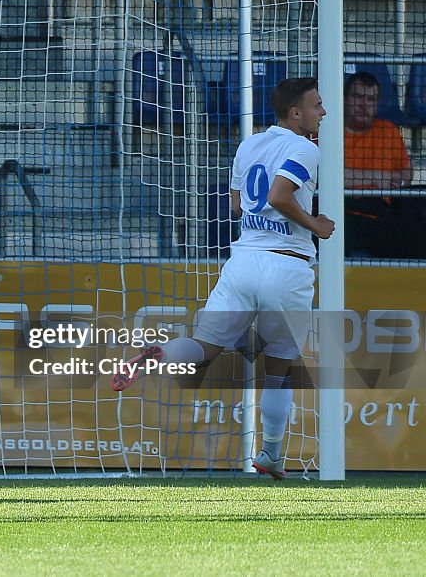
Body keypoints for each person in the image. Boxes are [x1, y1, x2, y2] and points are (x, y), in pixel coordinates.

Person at [110, 78, 335, 480]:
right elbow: (279, 197)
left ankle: (162, 353)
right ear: (295, 112)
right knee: (278, 371)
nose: (323, 112)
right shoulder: (305, 148)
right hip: (286, 266)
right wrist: (315, 225)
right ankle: (269, 454)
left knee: (202, 347)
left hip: (242, 262)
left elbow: (236, 204)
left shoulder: (249, 145)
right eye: (317, 106)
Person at [342, 71, 414, 257]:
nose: (364, 105)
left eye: (371, 99)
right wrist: (376, 177)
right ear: (344, 98)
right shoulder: (327, 130)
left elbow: (407, 173)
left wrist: (398, 181)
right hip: (340, 207)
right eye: (357, 97)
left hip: (380, 211)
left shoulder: (388, 130)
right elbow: (323, 176)